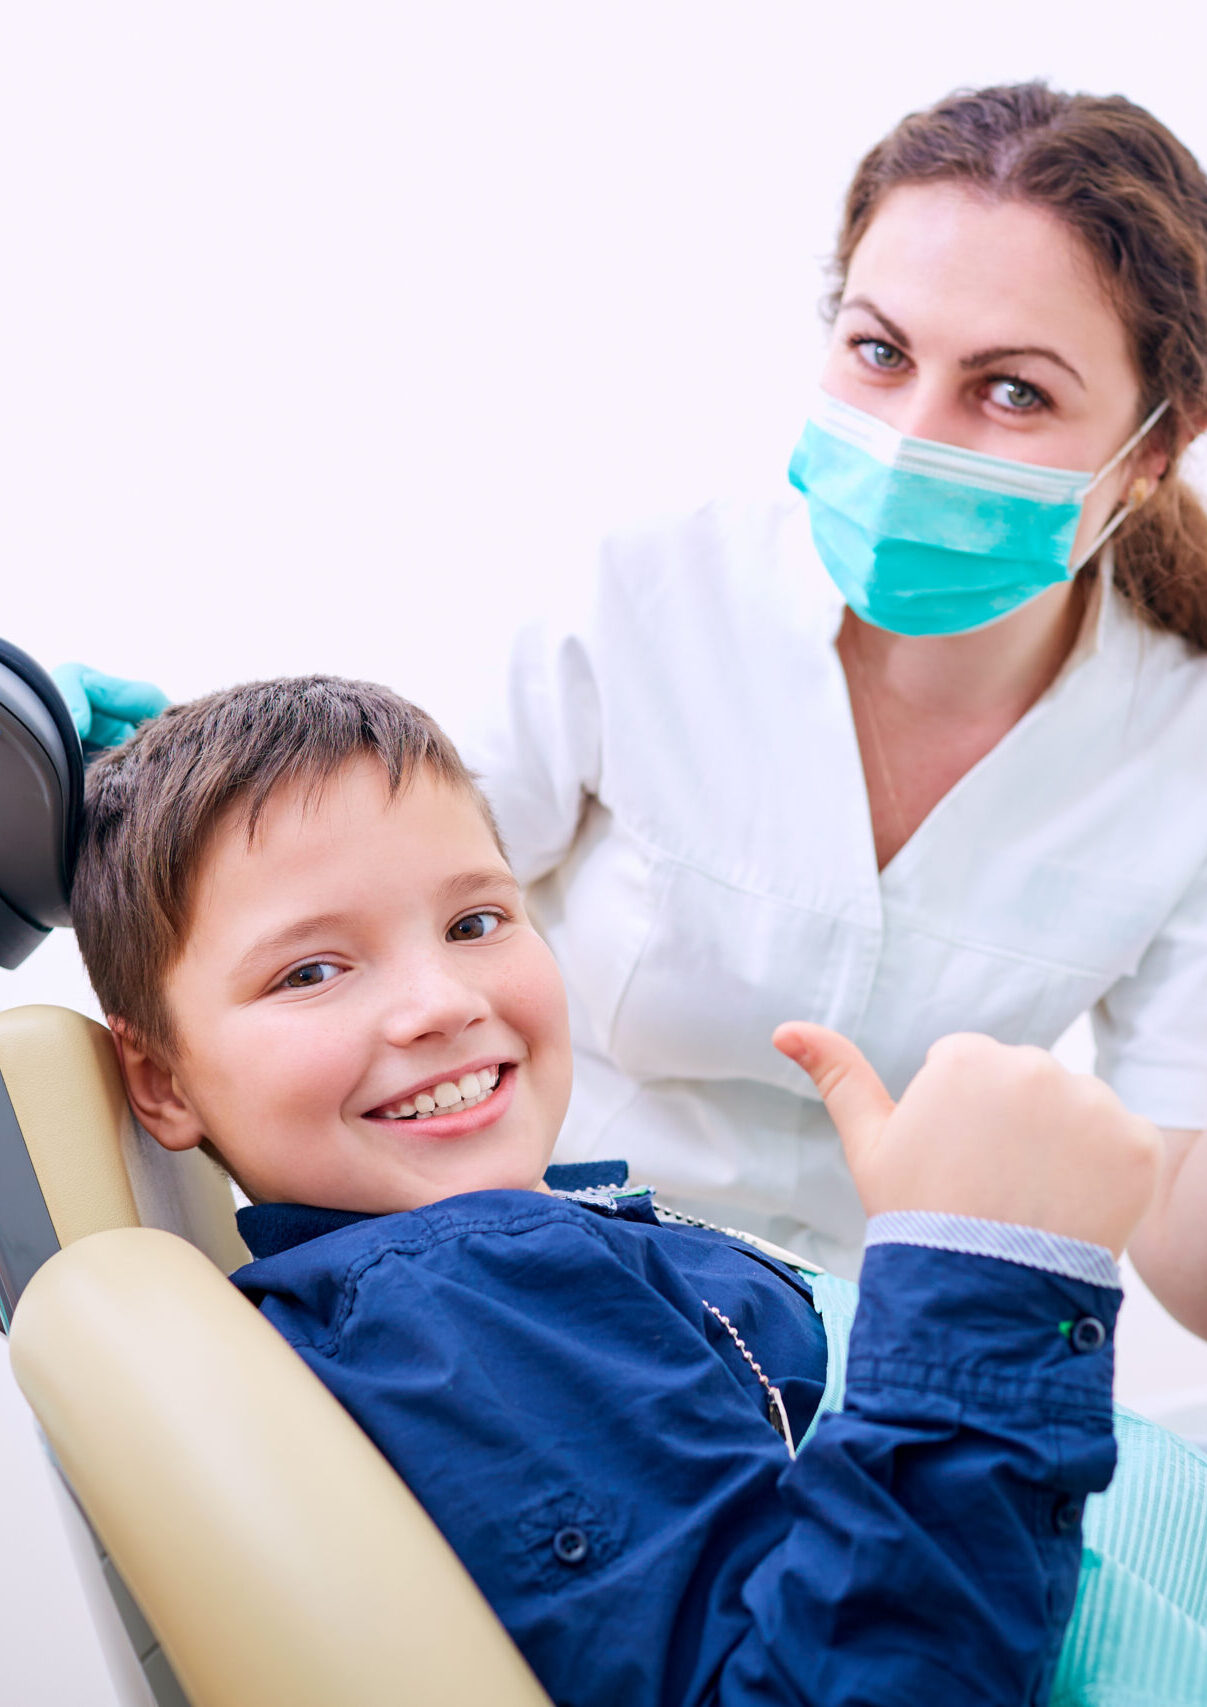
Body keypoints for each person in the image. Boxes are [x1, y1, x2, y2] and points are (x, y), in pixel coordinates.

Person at [69, 676, 1207, 1706]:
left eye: (475, 921)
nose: (441, 1002)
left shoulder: (495, 1258)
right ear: (162, 1079)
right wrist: (984, 1273)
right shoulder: (471, 1300)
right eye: (310, 971)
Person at [454, 82, 1207, 1314]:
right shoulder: (642, 593)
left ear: (1154, 448)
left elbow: (1184, 1252)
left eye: (1012, 390)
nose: (912, 438)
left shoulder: (1180, 739)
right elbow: (378, 924)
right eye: (880, 351)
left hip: (886, 1354)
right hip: (549, 1277)